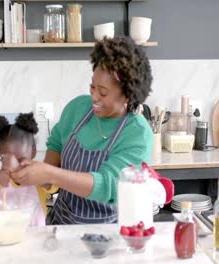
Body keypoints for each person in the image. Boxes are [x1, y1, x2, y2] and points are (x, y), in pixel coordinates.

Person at [12, 37, 154, 224]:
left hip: (109, 233)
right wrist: (41, 176)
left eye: (103, 92)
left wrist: (49, 173)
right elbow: (56, 144)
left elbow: (108, 186)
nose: (94, 96)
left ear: (127, 94)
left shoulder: (138, 135)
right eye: (92, 87)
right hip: (62, 224)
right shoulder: (78, 108)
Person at [0, 113, 58, 226]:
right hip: (5, 236)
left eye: (20, 160)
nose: (14, 166)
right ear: (1, 156)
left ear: (33, 151)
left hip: (36, 235)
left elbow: (52, 187)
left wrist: (18, 168)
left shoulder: (39, 175)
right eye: (9, 160)